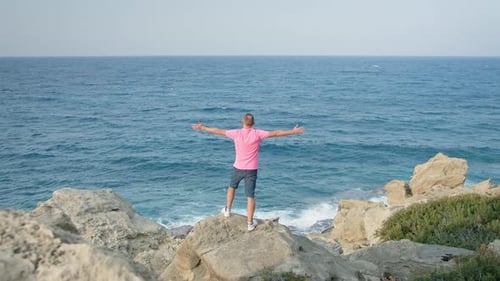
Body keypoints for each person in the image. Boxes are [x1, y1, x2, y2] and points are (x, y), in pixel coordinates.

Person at [192, 113, 304, 231]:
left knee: (232, 187)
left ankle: (227, 211)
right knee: (250, 196)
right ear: (253, 123)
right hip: (251, 169)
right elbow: (276, 133)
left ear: (242, 122)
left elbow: (218, 131)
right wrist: (293, 132)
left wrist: (203, 128)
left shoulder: (236, 133)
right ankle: (250, 223)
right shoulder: (258, 134)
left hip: (238, 167)